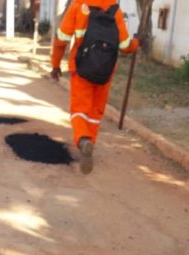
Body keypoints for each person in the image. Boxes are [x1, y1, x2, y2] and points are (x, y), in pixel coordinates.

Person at [50, 0, 138, 174]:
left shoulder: (78, 5)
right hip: (106, 71)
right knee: (95, 112)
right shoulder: (115, 9)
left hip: (80, 68)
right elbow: (125, 46)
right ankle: (90, 143)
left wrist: (55, 64)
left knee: (79, 110)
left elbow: (61, 39)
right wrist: (136, 44)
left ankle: (83, 140)